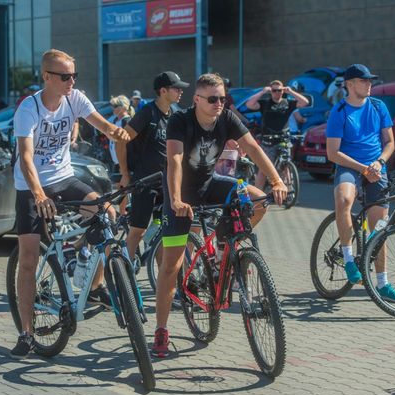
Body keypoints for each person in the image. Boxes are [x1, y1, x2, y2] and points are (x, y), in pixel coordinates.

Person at [152, 73, 288, 358]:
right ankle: (161, 329)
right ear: (197, 99)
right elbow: (175, 160)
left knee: (257, 200)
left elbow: (253, 148)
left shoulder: (226, 118)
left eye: (222, 99)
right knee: (170, 266)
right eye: (212, 99)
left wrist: (276, 180)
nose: (219, 104)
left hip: (209, 184)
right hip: (180, 194)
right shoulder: (180, 121)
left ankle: (222, 252)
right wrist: (175, 200)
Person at [10, 49, 129, 359]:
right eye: (65, 76)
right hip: (31, 186)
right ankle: (26, 333)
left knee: (106, 214)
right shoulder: (29, 108)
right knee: (28, 257)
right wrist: (38, 195)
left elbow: (104, 126)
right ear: (47, 77)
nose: (71, 81)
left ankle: (94, 284)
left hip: (64, 178)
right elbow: (25, 158)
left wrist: (118, 132)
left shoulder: (75, 98)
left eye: (74, 75)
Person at [326, 63, 395, 303]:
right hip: (349, 167)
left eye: (370, 80)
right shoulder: (339, 111)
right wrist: (362, 169)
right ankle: (349, 260)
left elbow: (390, 143)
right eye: (364, 80)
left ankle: (383, 283)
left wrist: (379, 163)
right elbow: (332, 153)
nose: (369, 84)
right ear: (350, 84)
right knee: (343, 200)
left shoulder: (379, 106)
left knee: (378, 227)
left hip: (376, 168)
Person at [116, 71, 188, 264]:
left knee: (163, 232)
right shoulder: (148, 113)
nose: (180, 91)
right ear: (163, 91)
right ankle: (124, 271)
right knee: (138, 230)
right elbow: (120, 141)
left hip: (166, 183)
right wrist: (124, 173)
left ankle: (161, 276)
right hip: (145, 182)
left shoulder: (174, 114)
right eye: (176, 88)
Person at [245, 80, 309, 190]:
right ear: (271, 91)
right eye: (274, 90)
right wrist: (262, 92)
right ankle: (257, 195)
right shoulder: (265, 103)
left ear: (283, 91)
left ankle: (288, 192)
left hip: (283, 139)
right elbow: (249, 104)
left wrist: (290, 92)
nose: (277, 93)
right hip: (268, 140)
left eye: (279, 90)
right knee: (264, 169)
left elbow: (305, 102)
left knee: (286, 167)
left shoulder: (288, 103)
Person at [108, 95, 135, 168]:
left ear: (123, 107)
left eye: (115, 106)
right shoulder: (115, 120)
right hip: (116, 162)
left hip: (125, 163)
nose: (113, 108)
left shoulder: (127, 121)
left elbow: (129, 144)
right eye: (112, 106)